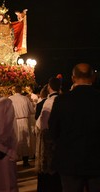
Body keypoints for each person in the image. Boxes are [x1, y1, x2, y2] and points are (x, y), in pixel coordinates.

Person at [49, 63, 100, 192]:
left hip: (69, 161)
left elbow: (53, 129)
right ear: (93, 78)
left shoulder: (62, 100)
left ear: (73, 78)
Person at [35, 77, 62, 192]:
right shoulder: (63, 100)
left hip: (48, 137)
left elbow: (41, 123)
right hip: (60, 137)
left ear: (49, 87)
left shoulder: (47, 101)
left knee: (48, 167)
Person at [9, 85, 35, 167]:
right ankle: (25, 161)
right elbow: (32, 110)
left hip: (14, 121)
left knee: (16, 140)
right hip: (24, 120)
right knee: (25, 140)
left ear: (14, 90)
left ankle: (15, 160)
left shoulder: (10, 99)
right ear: (20, 90)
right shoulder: (25, 98)